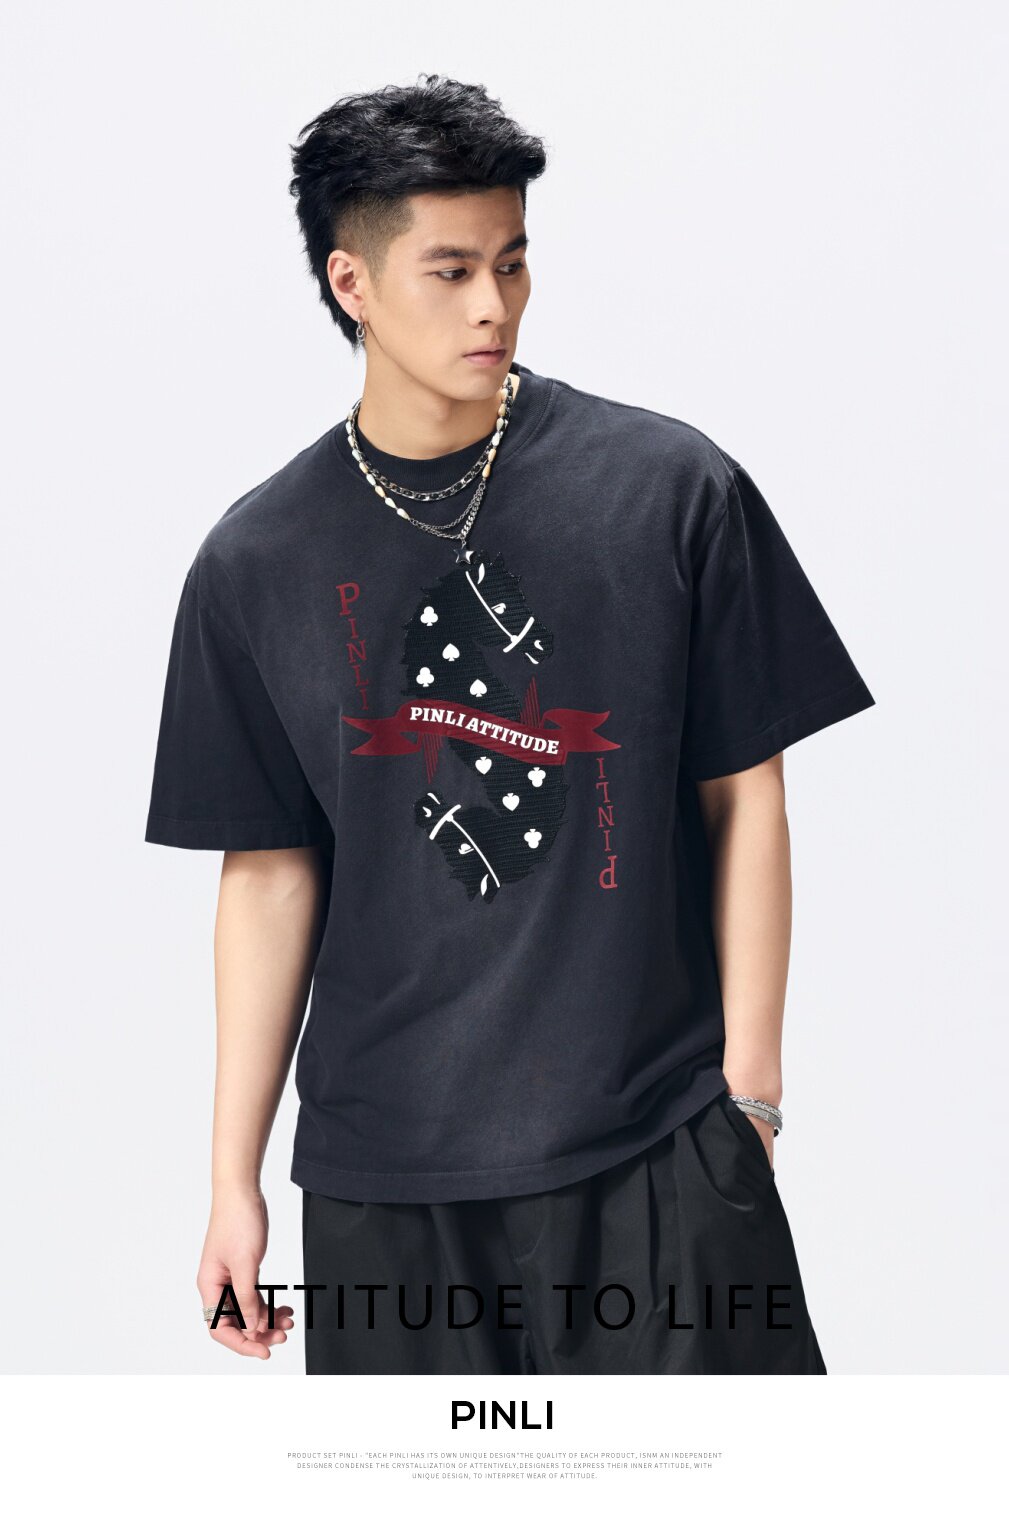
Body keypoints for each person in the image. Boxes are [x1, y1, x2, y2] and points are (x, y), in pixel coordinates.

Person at [144, 74, 875, 1375]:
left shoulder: (667, 490)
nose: (493, 304)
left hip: (655, 1146)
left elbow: (745, 790)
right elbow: (267, 874)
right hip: (384, 1189)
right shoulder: (257, 562)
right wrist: (230, 1182)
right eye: (449, 271)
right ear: (352, 283)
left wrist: (750, 1102)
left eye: (511, 261)